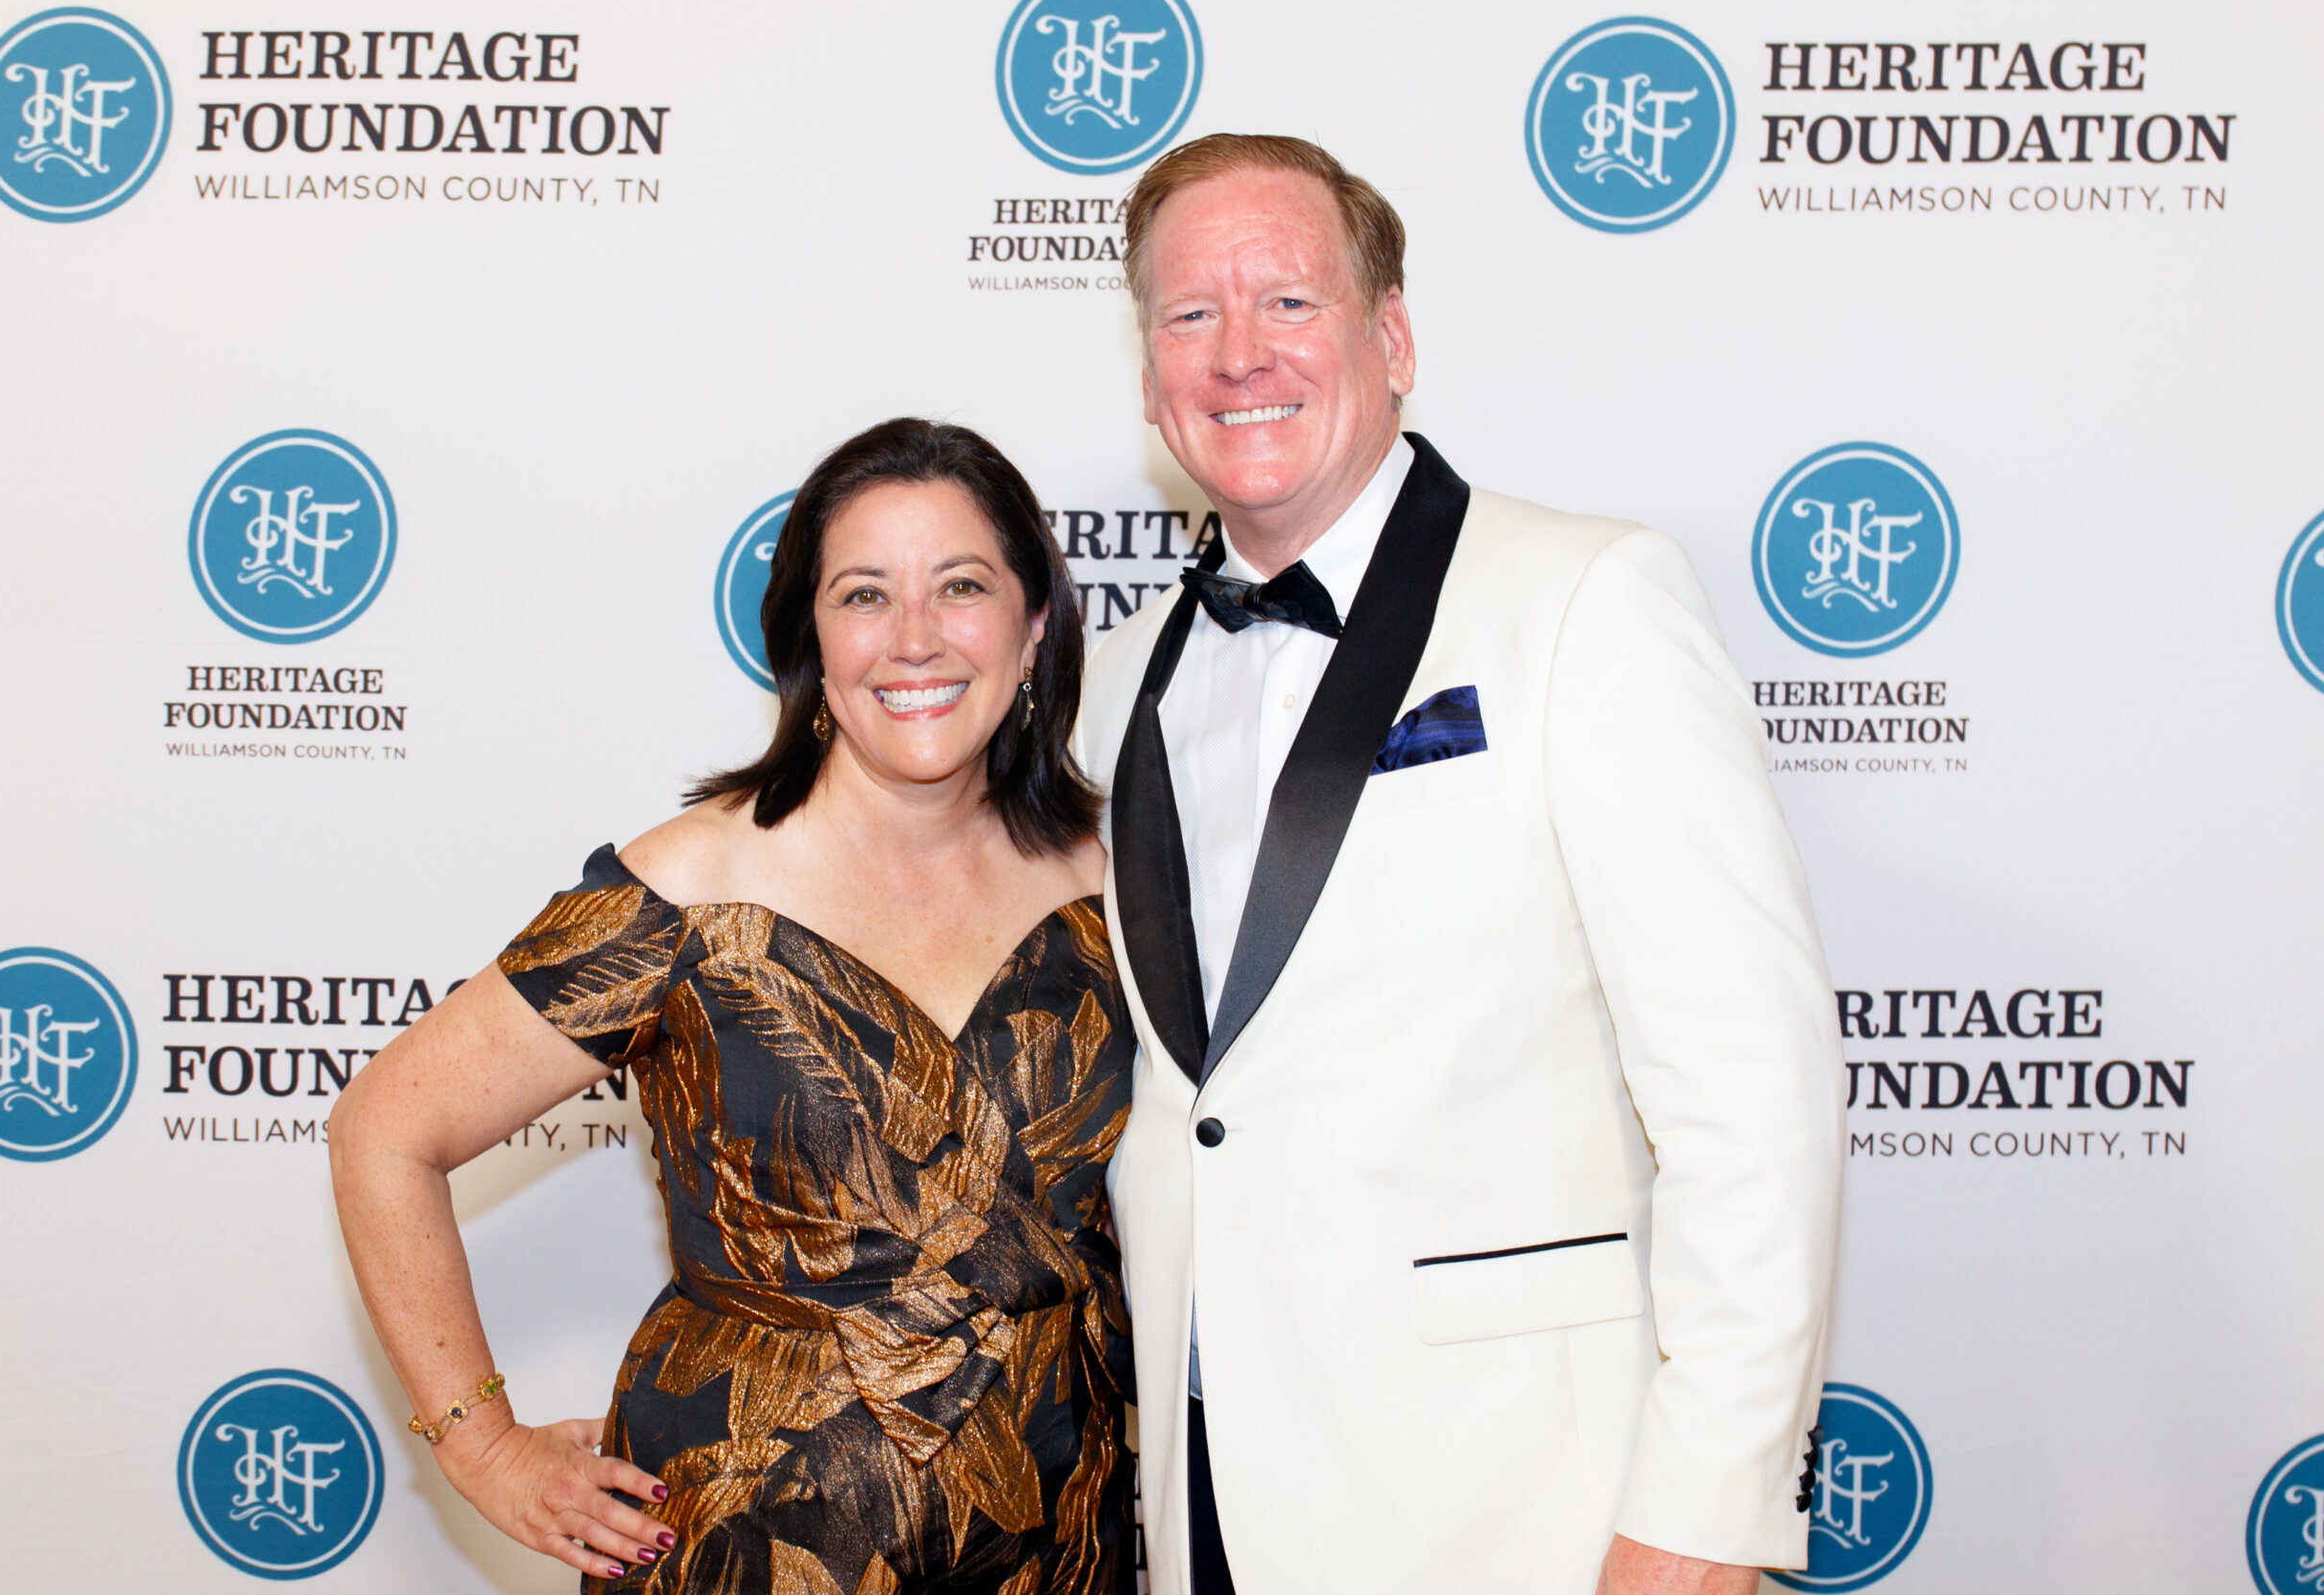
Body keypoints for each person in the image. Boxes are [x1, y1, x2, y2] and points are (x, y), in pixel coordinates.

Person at [1071, 135, 1847, 1595]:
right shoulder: (1113, 690)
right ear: (1151, 369)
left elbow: (1755, 1099)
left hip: (1523, 1516)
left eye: (1288, 302)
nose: (1239, 355)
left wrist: (1702, 1519)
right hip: (1203, 1502)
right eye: (1189, 316)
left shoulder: (1586, 601)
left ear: (1394, 335)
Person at [331, 418, 1138, 1595]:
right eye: (865, 593)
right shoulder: (689, 886)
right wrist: (480, 1443)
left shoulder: (1112, 889)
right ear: (809, 639)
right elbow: (384, 1131)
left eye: (960, 586)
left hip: (1059, 1535)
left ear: (1031, 629)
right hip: (750, 1543)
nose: (914, 636)